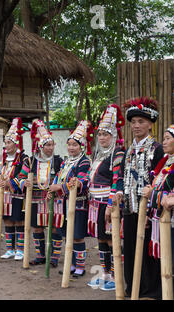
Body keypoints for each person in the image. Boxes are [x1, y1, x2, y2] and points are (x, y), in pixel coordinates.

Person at [119, 97, 164, 298]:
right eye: (134, 122)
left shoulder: (158, 149)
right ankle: (133, 288)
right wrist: (119, 193)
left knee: (149, 253)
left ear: (150, 124)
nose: (136, 126)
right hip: (129, 209)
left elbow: (160, 182)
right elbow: (122, 177)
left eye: (141, 122)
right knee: (128, 249)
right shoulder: (128, 150)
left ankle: (151, 290)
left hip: (149, 212)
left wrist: (151, 212)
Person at [86, 104, 125, 291]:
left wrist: (110, 205)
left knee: (112, 240)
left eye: (106, 134)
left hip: (109, 204)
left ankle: (117, 277)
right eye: (100, 134)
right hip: (95, 204)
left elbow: (117, 180)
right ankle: (105, 274)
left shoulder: (117, 153)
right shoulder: (97, 154)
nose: (102, 138)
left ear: (114, 136)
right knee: (101, 239)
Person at [48, 120, 93, 277]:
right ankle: (72, 264)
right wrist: (52, 189)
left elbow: (82, 181)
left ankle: (80, 267)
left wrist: (60, 187)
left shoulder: (85, 161)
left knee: (77, 237)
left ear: (81, 146)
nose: (71, 147)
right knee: (68, 236)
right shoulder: (66, 162)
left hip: (78, 204)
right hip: (64, 204)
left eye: (75, 144)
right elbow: (59, 178)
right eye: (69, 144)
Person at [17, 119, 63, 266]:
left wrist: (54, 183)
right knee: (37, 227)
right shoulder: (30, 162)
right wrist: (27, 182)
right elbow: (19, 178)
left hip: (53, 199)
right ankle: (41, 256)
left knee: (55, 227)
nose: (50, 148)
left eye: (52, 145)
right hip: (36, 199)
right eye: (47, 145)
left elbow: (62, 177)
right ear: (40, 146)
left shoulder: (58, 161)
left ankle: (54, 258)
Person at [140, 124, 174, 299]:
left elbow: (170, 196)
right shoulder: (165, 162)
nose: (164, 141)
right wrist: (148, 212)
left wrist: (152, 194)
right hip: (160, 219)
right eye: (164, 137)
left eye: (168, 138)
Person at [0, 118, 27, 260]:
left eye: (9, 142)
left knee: (18, 221)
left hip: (17, 195)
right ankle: (9, 249)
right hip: (4, 195)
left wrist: (10, 183)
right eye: (5, 142)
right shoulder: (2, 159)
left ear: (16, 143)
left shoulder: (24, 158)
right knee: (7, 220)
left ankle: (20, 249)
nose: (6, 145)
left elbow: (24, 175)